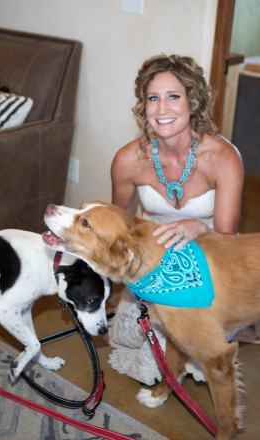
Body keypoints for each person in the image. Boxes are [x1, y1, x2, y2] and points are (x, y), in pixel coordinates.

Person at [107, 53, 249, 386]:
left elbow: (230, 242)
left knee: (192, 361)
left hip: (213, 260)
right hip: (153, 263)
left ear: (192, 101)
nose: (162, 108)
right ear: (143, 105)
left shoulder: (223, 158)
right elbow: (118, 228)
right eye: (153, 98)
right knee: (129, 340)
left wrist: (200, 226)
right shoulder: (128, 160)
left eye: (174, 96)